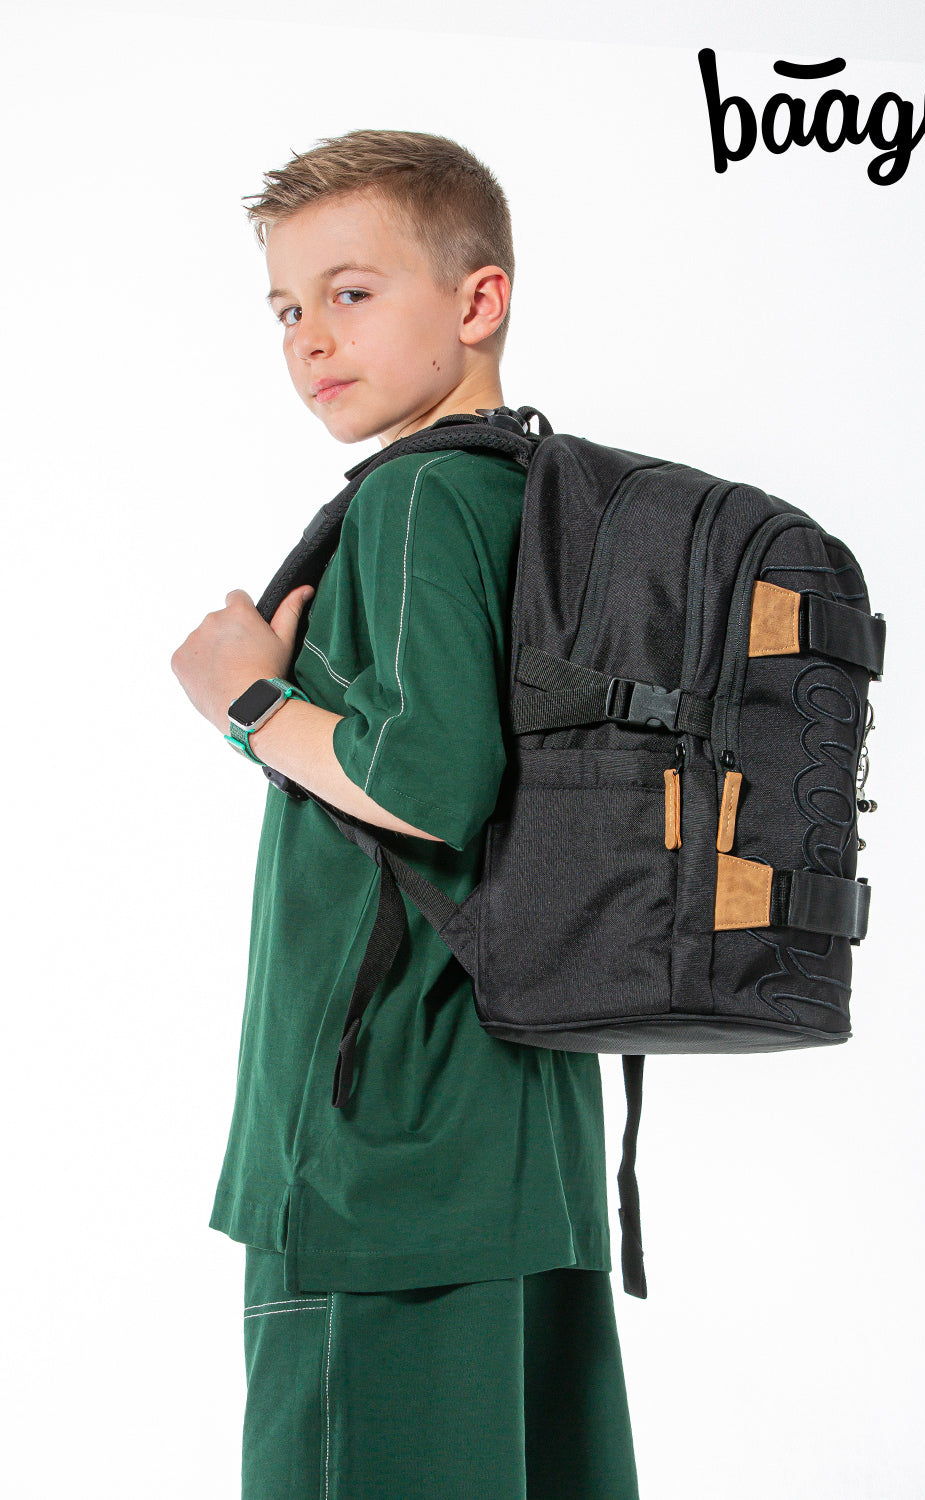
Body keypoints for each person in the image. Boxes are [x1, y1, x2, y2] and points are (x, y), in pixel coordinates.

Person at [171, 128, 642, 1500]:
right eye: (286, 309)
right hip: (519, 1135)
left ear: (479, 300)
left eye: (352, 291)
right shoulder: (529, 497)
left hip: (380, 1151)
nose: (311, 337)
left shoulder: (420, 495)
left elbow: (431, 785)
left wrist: (246, 703)